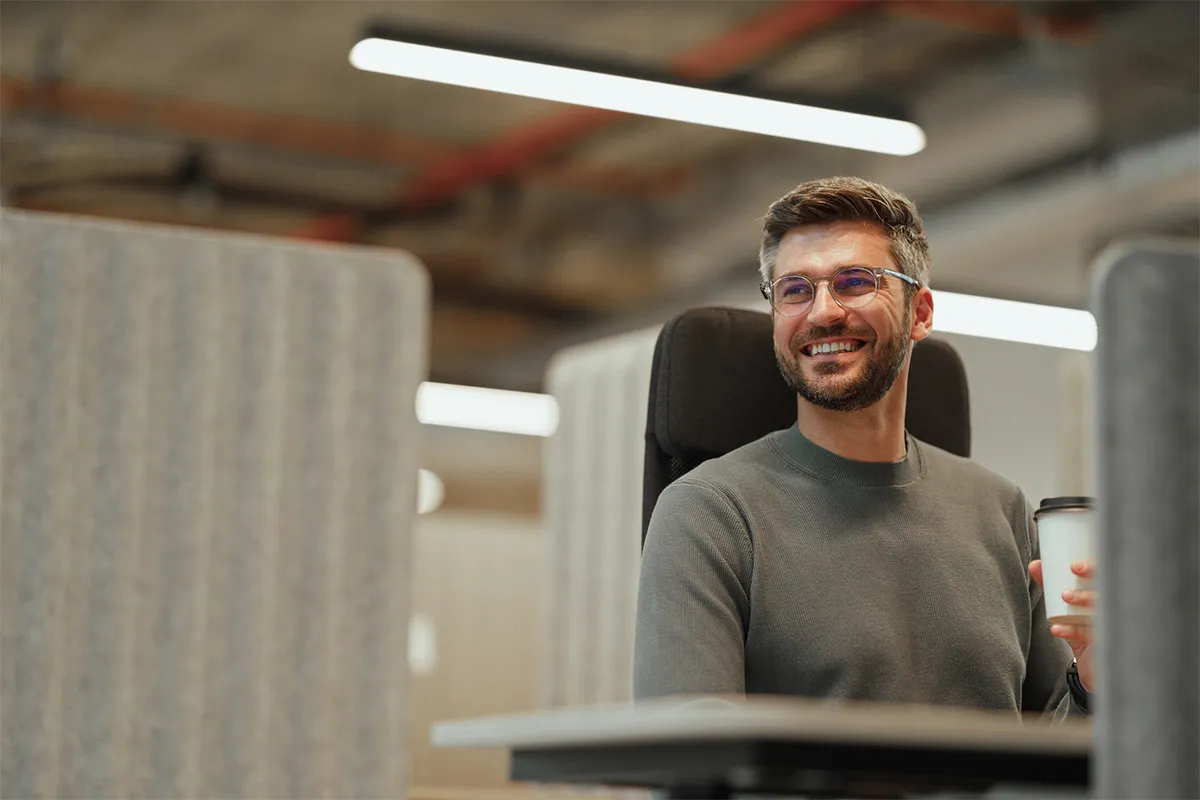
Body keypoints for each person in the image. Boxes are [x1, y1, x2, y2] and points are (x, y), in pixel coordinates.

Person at [633, 177, 1094, 719]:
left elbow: (1057, 757)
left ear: (920, 312)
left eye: (854, 281)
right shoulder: (710, 514)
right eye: (795, 290)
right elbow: (688, 766)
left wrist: (1094, 680)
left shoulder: (1002, 510)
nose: (822, 312)